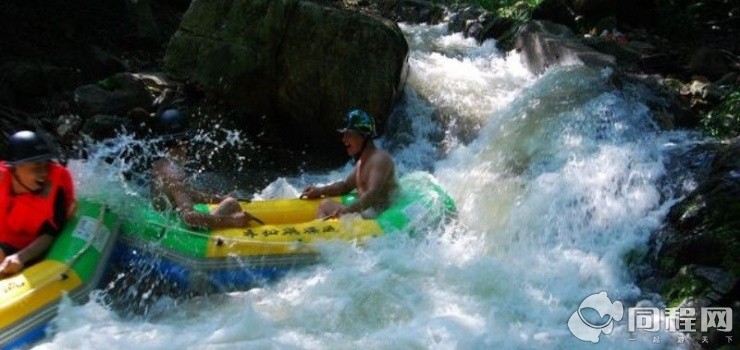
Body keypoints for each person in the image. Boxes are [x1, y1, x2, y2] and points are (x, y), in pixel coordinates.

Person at [150, 109, 262, 229]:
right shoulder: (174, 175)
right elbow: (189, 218)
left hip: (164, 221)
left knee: (228, 201)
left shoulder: (159, 165)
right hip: (181, 230)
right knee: (231, 204)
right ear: (184, 143)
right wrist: (231, 220)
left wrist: (219, 199)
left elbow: (181, 193)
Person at [0, 131, 77, 276]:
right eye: (36, 167)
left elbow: (51, 233)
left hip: (32, 248)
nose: (44, 173)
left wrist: (20, 257)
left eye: (46, 166)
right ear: (16, 168)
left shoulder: (57, 184)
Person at [301, 108, 398, 218]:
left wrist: (347, 211)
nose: (344, 139)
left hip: (384, 216)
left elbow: (372, 193)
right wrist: (320, 190)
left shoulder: (380, 159)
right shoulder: (362, 163)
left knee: (325, 205)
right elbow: (345, 186)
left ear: (363, 136)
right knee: (326, 204)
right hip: (371, 213)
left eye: (349, 134)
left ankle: (320, 231)